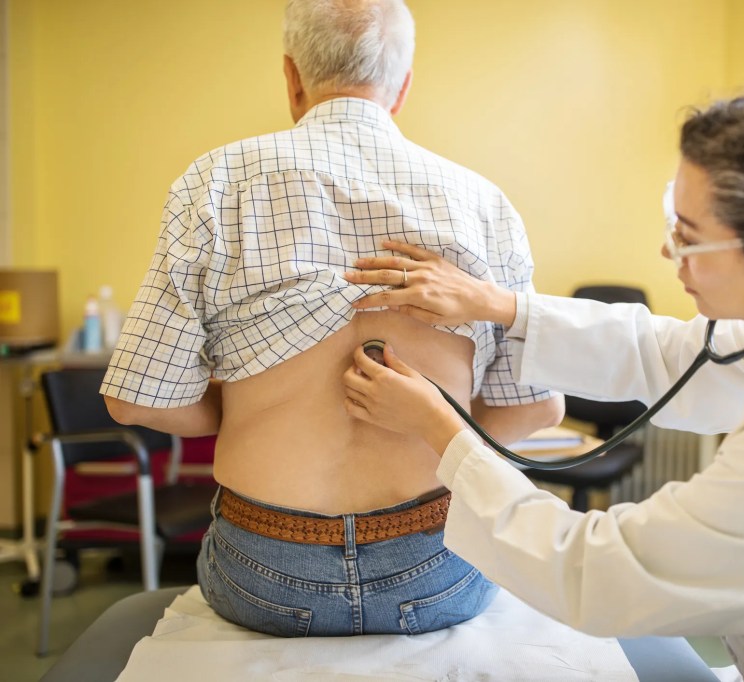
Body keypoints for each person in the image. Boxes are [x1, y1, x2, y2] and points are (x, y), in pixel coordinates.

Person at [340, 82, 744, 680]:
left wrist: (441, 432)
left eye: (688, 235)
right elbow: (670, 352)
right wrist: (498, 305)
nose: (669, 251)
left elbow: (595, 570)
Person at [100, 0, 563, 637]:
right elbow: (537, 409)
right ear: (402, 88)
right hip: (440, 567)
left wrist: (238, 408)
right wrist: (433, 422)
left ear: (292, 77)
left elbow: (135, 402)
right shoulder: (482, 202)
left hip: (260, 570)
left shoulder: (214, 182)